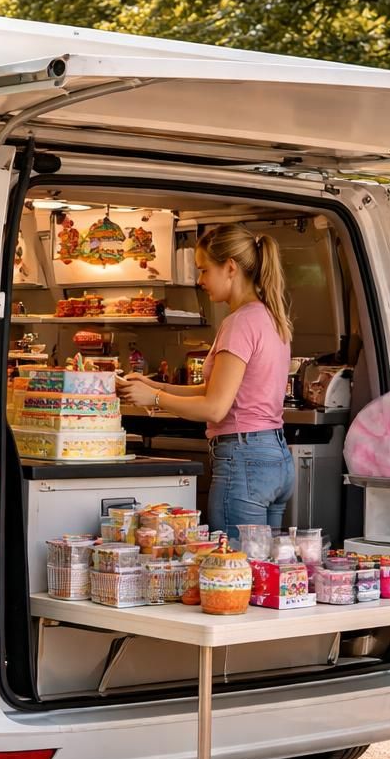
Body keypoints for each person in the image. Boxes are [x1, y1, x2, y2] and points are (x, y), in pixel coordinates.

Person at [119, 223, 294, 533]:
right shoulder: (270, 317)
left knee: (232, 573)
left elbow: (215, 408)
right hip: (275, 458)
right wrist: (154, 385)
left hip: (244, 461)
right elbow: (219, 391)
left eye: (204, 270)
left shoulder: (239, 323)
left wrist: (155, 400)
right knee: (262, 570)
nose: (200, 281)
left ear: (230, 268)